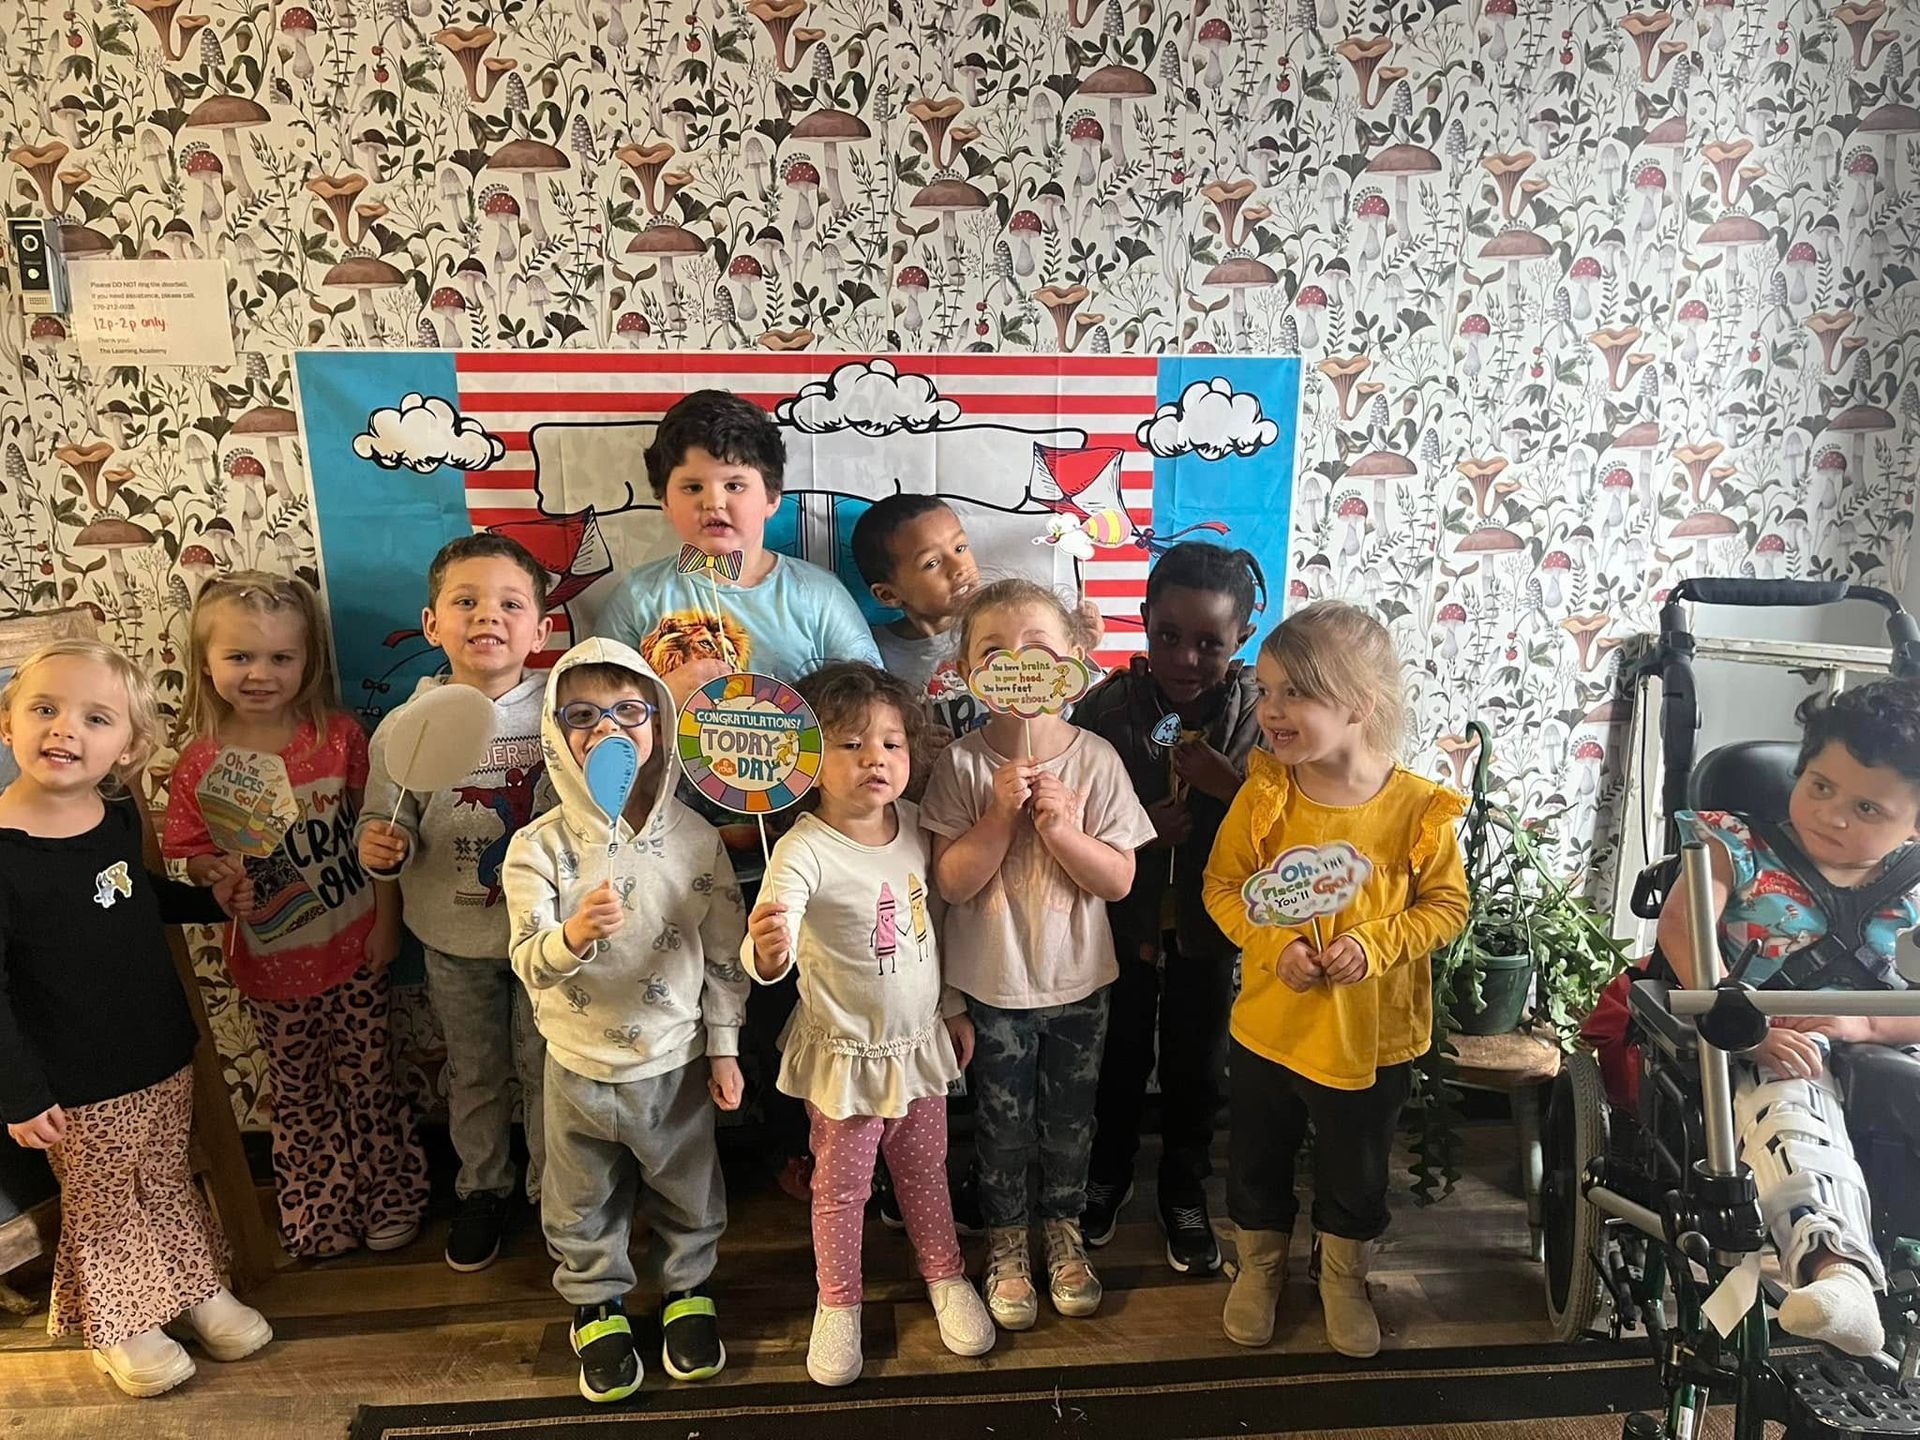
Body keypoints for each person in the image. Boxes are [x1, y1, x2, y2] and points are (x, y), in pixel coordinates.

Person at [591, 390, 880, 1197]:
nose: (714, 503)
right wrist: (665, 699)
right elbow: (601, 723)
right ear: (664, 500)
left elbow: (864, 701)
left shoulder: (814, 596)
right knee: (695, 974)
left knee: (793, 976)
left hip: (800, 826)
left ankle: (805, 1138)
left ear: (772, 499)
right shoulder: (643, 599)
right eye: (692, 487)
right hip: (678, 826)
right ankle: (687, 1153)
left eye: (735, 485)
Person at [0, 640, 271, 1398]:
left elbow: (133, 895)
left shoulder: (114, 813)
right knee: (105, 1201)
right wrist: (18, 1094)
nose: (65, 730)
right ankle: (122, 1324)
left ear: (130, 747)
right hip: (73, 1079)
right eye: (45, 710)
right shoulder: (3, 855)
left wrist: (204, 902)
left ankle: (192, 1289)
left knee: (163, 1179)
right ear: (6, 723)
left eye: (95, 717)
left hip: (156, 1046)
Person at [1202, 602, 1468, 1357]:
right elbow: (1224, 889)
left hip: (1370, 1043)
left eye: (1296, 694)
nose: (1271, 710)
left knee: (1356, 1168)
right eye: (1266, 689)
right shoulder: (1265, 796)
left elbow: (1447, 906)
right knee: (1257, 1154)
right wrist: (1272, 940)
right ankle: (1258, 1269)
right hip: (1270, 1029)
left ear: (1359, 706)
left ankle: (1343, 1276)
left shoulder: (1418, 809)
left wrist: (1379, 944)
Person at [503, 637, 747, 1402]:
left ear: (661, 726)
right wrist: (572, 937)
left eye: (628, 711)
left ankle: (687, 1289)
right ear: (555, 732)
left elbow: (724, 954)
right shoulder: (536, 848)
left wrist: (725, 1046)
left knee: (688, 1185)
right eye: (582, 715)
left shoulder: (695, 838)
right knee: (578, 1199)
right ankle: (594, 1301)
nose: (606, 729)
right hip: (574, 1065)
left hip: (673, 1059)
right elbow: (525, 958)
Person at [163, 572, 428, 1260]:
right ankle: (316, 1208)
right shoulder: (199, 764)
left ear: (308, 661)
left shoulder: (337, 739)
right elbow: (189, 852)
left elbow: (381, 835)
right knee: (300, 1094)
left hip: (353, 947)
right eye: (240, 657)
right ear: (205, 663)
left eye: (281, 657)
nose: (260, 674)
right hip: (268, 964)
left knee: (372, 1081)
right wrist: (213, 873)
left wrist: (387, 921)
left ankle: (391, 1194)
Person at [745, 662, 995, 1385]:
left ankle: (945, 1275)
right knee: (841, 1188)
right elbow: (774, 925)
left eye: (890, 744)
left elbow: (939, 924)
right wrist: (767, 949)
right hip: (847, 1058)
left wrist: (950, 1007)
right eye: (852, 744)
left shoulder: (919, 827)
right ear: (808, 760)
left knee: (925, 1171)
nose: (875, 759)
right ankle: (839, 1301)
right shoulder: (801, 848)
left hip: (918, 1048)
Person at [1656, 678, 1920, 1358]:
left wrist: (1864, 1026)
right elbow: (1685, 928)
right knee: (1794, 1109)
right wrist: (1748, 1025)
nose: (1833, 815)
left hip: (1875, 1044)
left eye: (1867, 806)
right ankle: (1840, 1276)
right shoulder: (1734, 844)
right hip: (1754, 1039)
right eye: (1820, 785)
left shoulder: (1912, 884)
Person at [920, 580, 1155, 1331]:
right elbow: (950, 883)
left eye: (1039, 654)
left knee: (1068, 1120)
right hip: (991, 989)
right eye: (995, 653)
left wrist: (1061, 833)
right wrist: (997, 816)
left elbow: (1118, 879)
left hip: (1080, 984)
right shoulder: (961, 766)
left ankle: (1062, 1230)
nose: (1018, 666)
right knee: (1001, 1123)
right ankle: (1007, 1241)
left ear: (1074, 663)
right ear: (966, 668)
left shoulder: (1098, 760)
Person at [357, 534, 554, 1273]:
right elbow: (386, 817)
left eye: (510, 604)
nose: (488, 618)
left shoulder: (564, 712)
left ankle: (550, 1187)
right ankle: (482, 1189)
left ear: (540, 628)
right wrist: (381, 844)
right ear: (433, 623)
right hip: (450, 935)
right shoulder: (409, 725)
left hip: (545, 939)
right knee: (472, 1070)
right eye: (465, 602)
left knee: (545, 1068)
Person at [1073, 543, 1263, 1273]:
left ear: (1241, 638)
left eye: (1210, 642)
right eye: (1169, 636)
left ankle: (1184, 1183)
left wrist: (1229, 788)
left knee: (1196, 1064)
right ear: (1145, 623)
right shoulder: (1107, 708)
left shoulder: (1259, 716)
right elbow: (1074, 817)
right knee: (1116, 1058)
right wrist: (1142, 830)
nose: (1187, 658)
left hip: (1209, 930)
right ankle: (1109, 1172)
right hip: (1121, 924)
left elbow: (1290, 821)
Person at [849, 494, 983, 741]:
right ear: (888, 594)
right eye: (932, 563)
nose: (959, 567)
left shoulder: (1002, 628)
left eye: (960, 548)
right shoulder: (871, 654)